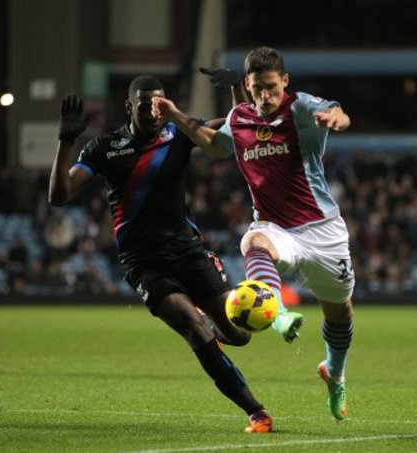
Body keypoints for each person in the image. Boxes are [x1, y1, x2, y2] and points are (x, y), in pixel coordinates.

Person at [48, 76, 272, 433]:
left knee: (240, 334)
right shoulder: (104, 148)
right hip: (144, 262)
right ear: (129, 107)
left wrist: (236, 92)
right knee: (195, 331)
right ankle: (257, 412)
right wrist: (66, 140)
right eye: (144, 104)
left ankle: (207, 314)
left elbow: (237, 131)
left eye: (158, 104)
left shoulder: (179, 134)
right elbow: (59, 196)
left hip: (188, 250)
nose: (153, 110)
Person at [153, 47, 356, 421]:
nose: (266, 96)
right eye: (258, 88)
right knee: (253, 241)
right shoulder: (239, 118)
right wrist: (175, 115)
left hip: (323, 229)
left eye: (272, 87)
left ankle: (334, 372)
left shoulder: (301, 108)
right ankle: (277, 313)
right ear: (247, 85)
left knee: (340, 312)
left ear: (285, 82)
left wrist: (334, 119)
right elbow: (215, 145)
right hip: (276, 227)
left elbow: (339, 114)